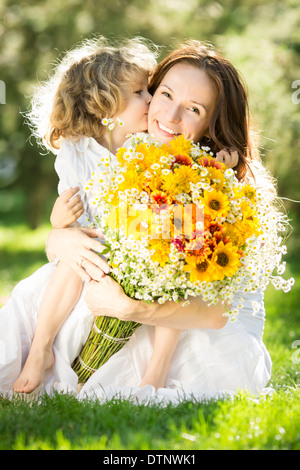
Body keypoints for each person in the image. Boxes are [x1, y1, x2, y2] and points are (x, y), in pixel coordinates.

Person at [44, 41, 277, 404]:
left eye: (194, 109)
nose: (169, 116)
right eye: (164, 94)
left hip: (205, 324)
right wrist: (57, 239)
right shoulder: (143, 157)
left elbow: (215, 314)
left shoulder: (226, 188)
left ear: (214, 123)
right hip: (152, 305)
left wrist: (130, 309)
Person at [9, 36, 156, 393]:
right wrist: (60, 222)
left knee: (88, 252)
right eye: (139, 92)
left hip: (134, 250)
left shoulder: (148, 146)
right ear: (105, 102)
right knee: (80, 252)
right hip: (86, 255)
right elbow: (69, 226)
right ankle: (41, 349)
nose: (151, 99)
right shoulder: (75, 152)